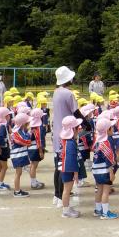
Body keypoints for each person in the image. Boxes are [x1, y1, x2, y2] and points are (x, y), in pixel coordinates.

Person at [52, 66, 83, 207]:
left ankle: (57, 195)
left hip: (58, 132)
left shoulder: (56, 91)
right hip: (67, 133)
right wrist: (87, 123)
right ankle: (60, 196)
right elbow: (76, 112)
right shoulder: (68, 93)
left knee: (58, 166)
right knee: (63, 167)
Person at [92, 117, 119, 220]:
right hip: (104, 171)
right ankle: (105, 212)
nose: (113, 129)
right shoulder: (106, 143)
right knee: (105, 191)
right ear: (107, 130)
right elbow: (108, 161)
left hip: (96, 170)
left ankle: (98, 210)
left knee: (99, 189)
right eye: (111, 127)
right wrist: (111, 173)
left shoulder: (97, 142)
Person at [59, 115, 82, 218]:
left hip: (66, 168)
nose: (79, 129)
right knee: (67, 190)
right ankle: (65, 211)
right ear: (73, 129)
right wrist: (76, 173)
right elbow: (71, 159)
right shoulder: (70, 143)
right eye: (77, 128)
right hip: (67, 169)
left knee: (67, 190)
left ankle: (67, 207)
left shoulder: (66, 140)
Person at [10, 112, 32, 198]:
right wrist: (29, 134)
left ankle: (18, 189)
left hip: (19, 155)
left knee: (19, 173)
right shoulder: (17, 132)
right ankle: (17, 191)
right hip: (17, 156)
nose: (29, 124)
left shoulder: (19, 131)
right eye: (27, 123)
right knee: (18, 173)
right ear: (23, 124)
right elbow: (27, 141)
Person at [0, 107, 12, 192]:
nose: (9, 117)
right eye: (8, 115)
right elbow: (1, 136)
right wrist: (0, 147)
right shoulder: (2, 125)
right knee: (5, 167)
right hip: (3, 148)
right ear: (4, 116)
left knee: (0, 166)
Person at [28, 108, 45, 190]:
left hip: (31, 148)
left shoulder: (31, 126)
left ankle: (33, 181)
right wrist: (41, 151)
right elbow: (40, 140)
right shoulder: (39, 127)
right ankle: (33, 183)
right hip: (36, 149)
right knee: (34, 166)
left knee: (32, 165)